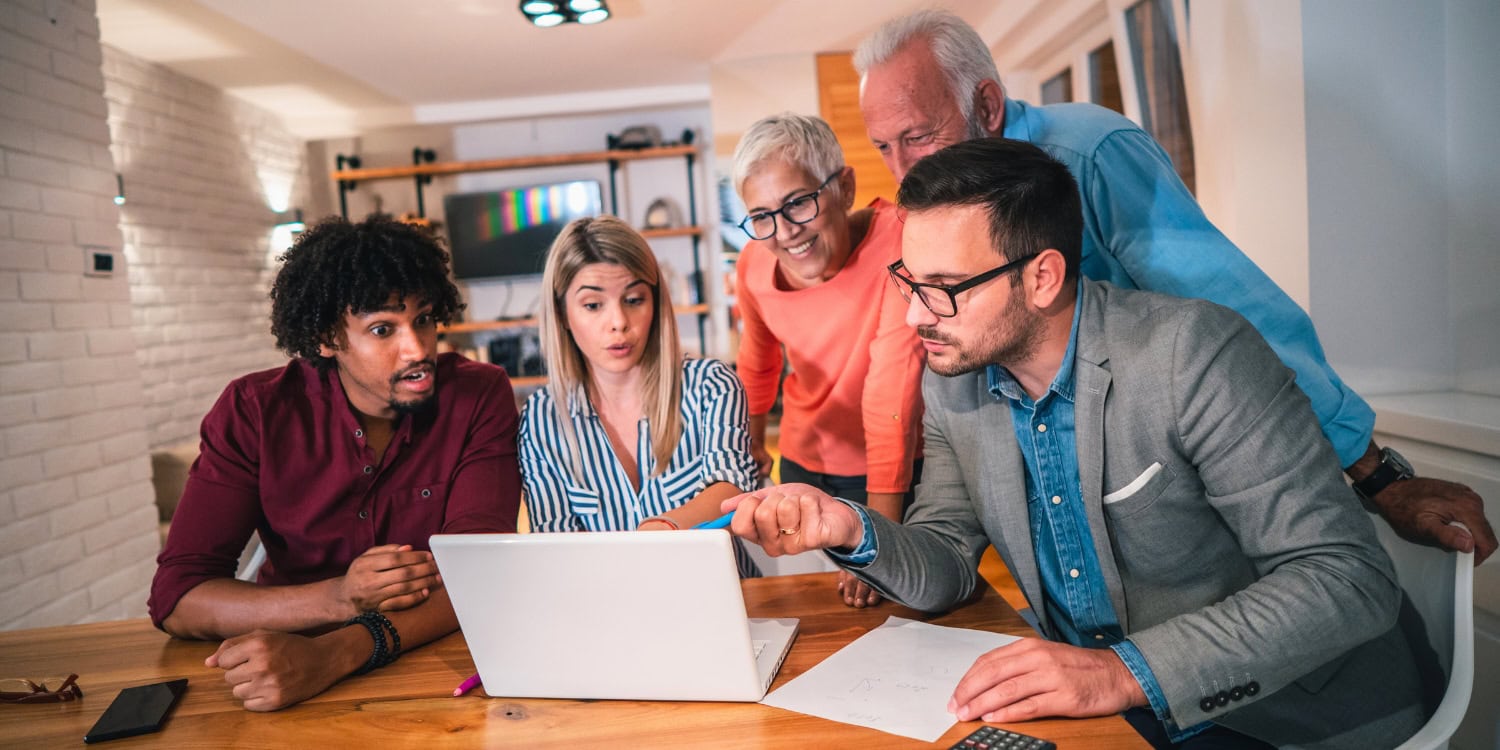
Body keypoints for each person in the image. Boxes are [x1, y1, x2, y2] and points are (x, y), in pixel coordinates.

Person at [726, 139, 1431, 749]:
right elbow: (943, 562)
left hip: (1278, 716)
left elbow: (1345, 579)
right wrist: (851, 527)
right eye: (909, 282)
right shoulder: (956, 381)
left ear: (1042, 278)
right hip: (1108, 713)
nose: (915, 314)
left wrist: (1123, 672)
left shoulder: (1194, 354)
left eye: (943, 289)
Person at [853, 9, 1494, 561]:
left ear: (987, 106)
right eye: (884, 146)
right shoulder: (941, 206)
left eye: (918, 135)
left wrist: (1377, 476)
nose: (904, 168)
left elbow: (1238, 316)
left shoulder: (1089, 156)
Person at [147, 215, 522, 712]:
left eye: (425, 320)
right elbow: (179, 596)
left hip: (432, 669)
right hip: (277, 669)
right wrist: (341, 598)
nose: (417, 349)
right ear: (327, 338)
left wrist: (332, 654)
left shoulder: (477, 394)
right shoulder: (254, 411)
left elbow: (482, 572)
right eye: (383, 328)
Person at [731, 113, 925, 607]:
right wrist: (752, 452)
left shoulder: (900, 241)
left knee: (898, 598)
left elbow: (892, 389)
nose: (784, 233)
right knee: (816, 607)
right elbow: (757, 362)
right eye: (761, 216)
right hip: (805, 462)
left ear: (844, 187)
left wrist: (880, 538)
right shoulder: (754, 263)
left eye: (798, 203)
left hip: (897, 467)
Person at [518, 215, 760, 577]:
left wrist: (657, 533)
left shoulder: (712, 385)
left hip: (726, 604)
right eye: (593, 305)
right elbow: (557, 550)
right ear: (562, 314)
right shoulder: (540, 420)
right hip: (608, 615)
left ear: (656, 303)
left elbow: (732, 494)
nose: (618, 321)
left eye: (633, 299)